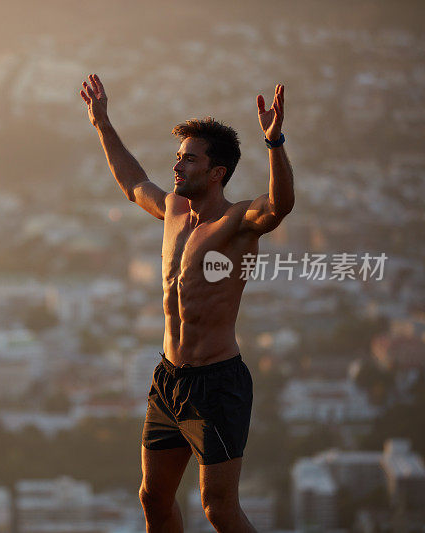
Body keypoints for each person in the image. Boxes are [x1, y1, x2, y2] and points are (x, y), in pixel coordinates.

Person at [80, 74, 293, 532]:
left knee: (218, 508)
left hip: (217, 383)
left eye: (189, 160)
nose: (177, 167)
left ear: (217, 172)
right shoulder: (174, 211)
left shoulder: (237, 222)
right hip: (168, 378)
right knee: (153, 497)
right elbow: (133, 180)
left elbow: (278, 205)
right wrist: (101, 122)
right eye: (177, 158)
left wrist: (274, 142)